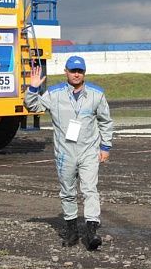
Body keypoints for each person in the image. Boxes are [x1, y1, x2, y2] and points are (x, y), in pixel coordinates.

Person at [24, 56, 113, 251]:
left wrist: (105, 147)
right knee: (67, 191)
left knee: (90, 189)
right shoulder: (54, 93)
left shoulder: (96, 94)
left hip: (89, 150)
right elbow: (33, 106)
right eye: (73, 70)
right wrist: (32, 89)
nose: (76, 74)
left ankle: (91, 233)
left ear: (84, 73)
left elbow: (105, 121)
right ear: (66, 71)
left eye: (79, 71)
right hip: (65, 152)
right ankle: (72, 232)